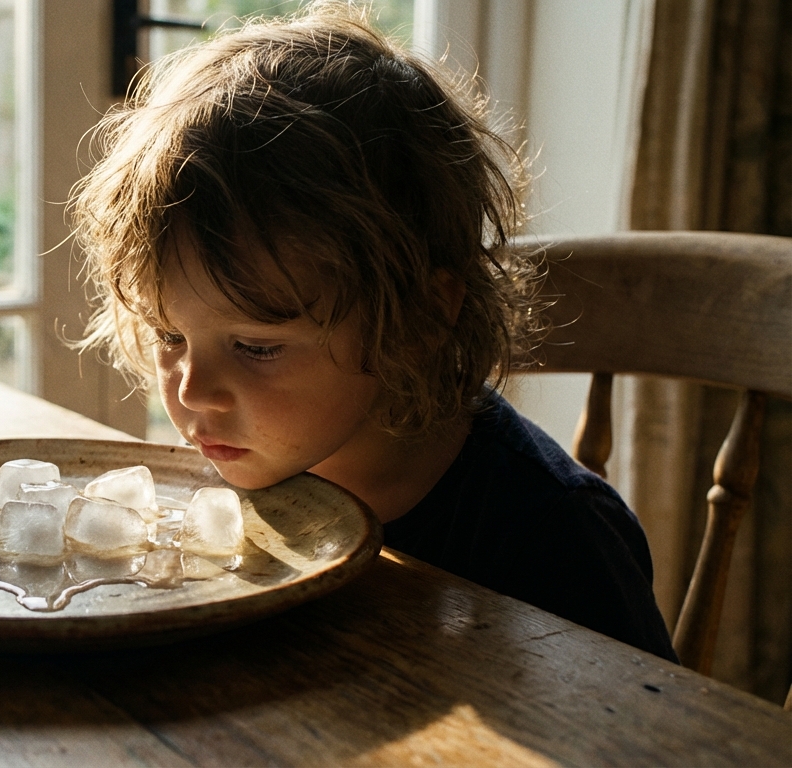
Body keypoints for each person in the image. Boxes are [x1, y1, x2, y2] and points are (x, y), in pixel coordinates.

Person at [69, 1, 677, 662]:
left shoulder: (556, 538)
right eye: (170, 336)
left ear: (416, 320)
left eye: (255, 348)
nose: (192, 394)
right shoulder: (248, 472)